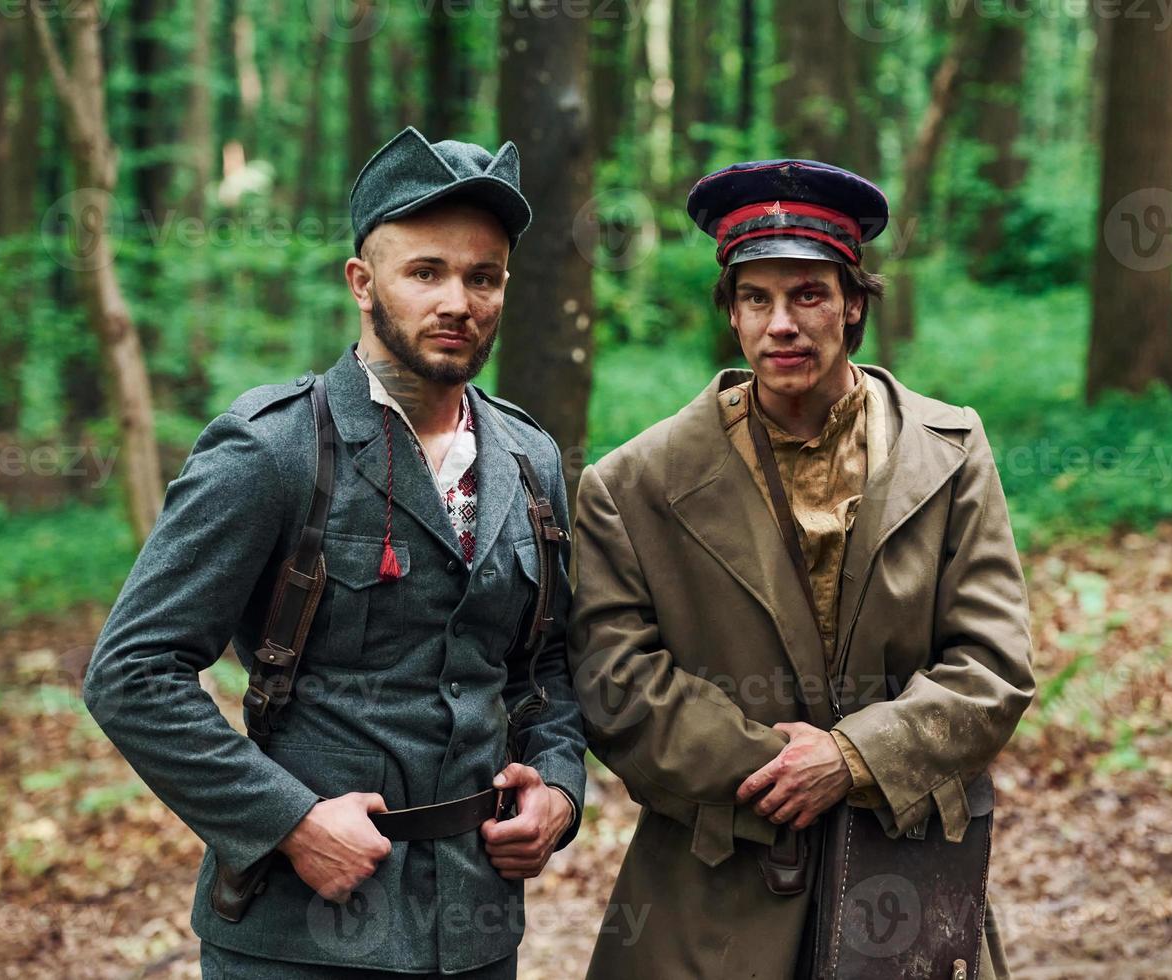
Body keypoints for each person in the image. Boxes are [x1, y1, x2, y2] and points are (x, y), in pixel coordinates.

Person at [82, 127, 587, 979]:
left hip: (475, 932)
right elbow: (132, 672)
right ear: (362, 281)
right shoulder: (275, 450)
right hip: (298, 934)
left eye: (483, 276)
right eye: (425, 271)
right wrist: (289, 821)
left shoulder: (530, 461)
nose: (457, 300)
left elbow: (542, 668)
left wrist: (560, 787)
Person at [567, 159, 1035, 978]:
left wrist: (854, 758)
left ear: (853, 303)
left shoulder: (949, 454)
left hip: (903, 874)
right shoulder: (634, 483)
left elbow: (992, 664)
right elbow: (617, 682)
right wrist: (780, 770)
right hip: (713, 890)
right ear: (734, 314)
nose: (782, 323)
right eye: (757, 298)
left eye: (808, 294)